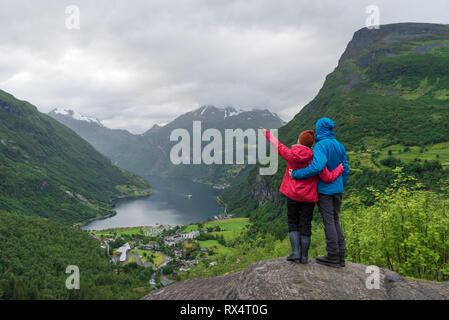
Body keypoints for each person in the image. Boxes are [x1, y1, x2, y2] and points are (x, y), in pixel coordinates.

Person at [260, 127, 343, 264]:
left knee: (293, 222)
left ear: (299, 140)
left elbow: (277, 145)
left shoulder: (291, 154)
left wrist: (266, 133)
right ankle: (304, 256)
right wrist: (339, 169)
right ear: (311, 144)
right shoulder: (316, 158)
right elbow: (327, 178)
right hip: (309, 198)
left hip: (292, 195)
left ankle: (295, 252)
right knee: (306, 224)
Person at [290, 118, 350, 268]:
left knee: (329, 221)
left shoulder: (320, 146)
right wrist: (341, 185)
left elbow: (317, 167)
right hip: (338, 189)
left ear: (320, 129)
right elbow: (346, 169)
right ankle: (341, 255)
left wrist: (296, 174)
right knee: (336, 220)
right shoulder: (339, 145)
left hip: (325, 191)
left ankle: (333, 255)